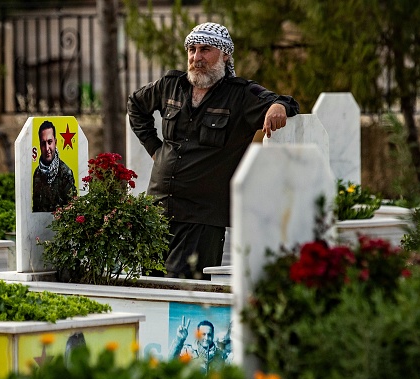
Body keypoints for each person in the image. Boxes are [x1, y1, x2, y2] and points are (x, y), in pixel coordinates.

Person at [128, 22, 300, 279]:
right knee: (149, 283)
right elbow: (136, 104)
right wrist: (155, 150)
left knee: (185, 290)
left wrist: (278, 107)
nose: (197, 58)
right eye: (192, 50)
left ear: (225, 54)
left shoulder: (240, 95)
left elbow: (285, 101)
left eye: (205, 50)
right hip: (157, 208)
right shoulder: (171, 85)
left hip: (202, 217)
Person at [33, 120, 76, 212]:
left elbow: (72, 206)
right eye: (43, 143)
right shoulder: (37, 173)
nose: (47, 148)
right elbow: (35, 207)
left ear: (55, 142)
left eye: (49, 142)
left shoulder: (65, 172)